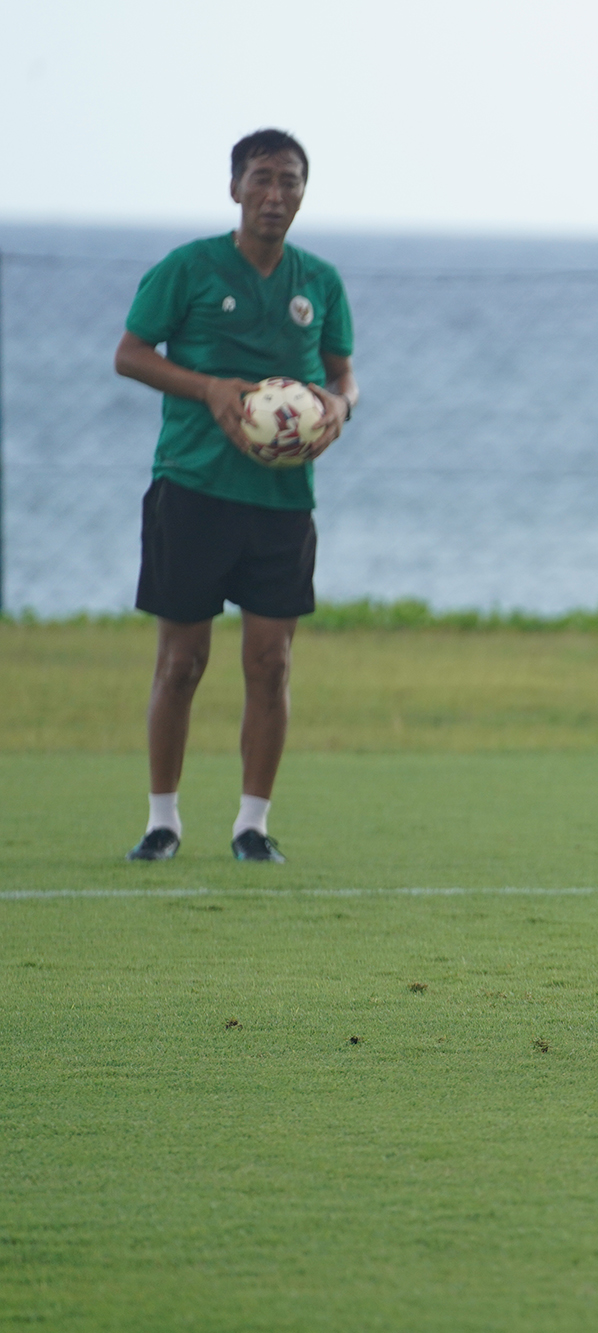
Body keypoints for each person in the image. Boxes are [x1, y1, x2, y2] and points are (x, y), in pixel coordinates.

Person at [114, 129, 358, 863]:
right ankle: (163, 820)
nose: (274, 195)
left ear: (302, 193)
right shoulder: (188, 268)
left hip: (283, 502)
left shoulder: (320, 282)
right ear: (235, 188)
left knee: (271, 662)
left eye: (288, 181)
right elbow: (129, 354)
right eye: (261, 179)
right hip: (191, 488)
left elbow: (345, 374)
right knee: (182, 660)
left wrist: (340, 406)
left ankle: (251, 826)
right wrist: (211, 388)